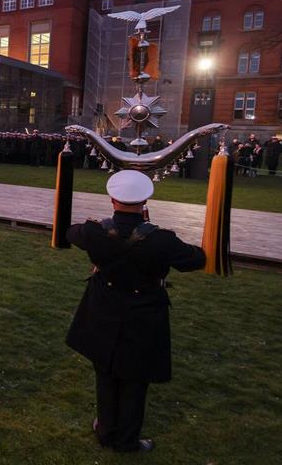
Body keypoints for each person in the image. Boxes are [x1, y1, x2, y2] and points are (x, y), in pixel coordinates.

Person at [65, 170, 205, 453]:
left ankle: (106, 430)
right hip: (143, 314)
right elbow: (195, 260)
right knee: (135, 379)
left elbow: (71, 232)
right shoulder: (162, 239)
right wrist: (147, 228)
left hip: (104, 309)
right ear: (144, 202)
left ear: (113, 199)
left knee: (104, 371)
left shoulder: (94, 232)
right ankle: (126, 440)